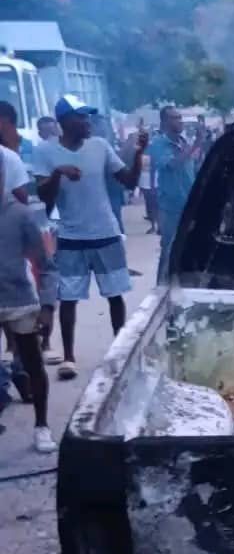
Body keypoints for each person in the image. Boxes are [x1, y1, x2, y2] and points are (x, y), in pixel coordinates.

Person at [33, 95, 146, 382]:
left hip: (106, 234)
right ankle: (69, 357)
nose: (87, 122)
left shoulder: (100, 146)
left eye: (87, 117)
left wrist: (138, 155)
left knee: (115, 296)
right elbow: (45, 198)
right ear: (64, 121)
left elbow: (129, 182)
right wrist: (58, 173)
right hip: (71, 237)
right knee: (69, 299)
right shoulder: (45, 151)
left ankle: (119, 352)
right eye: (81, 117)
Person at [0, 153, 56, 453]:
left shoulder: (20, 215)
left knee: (34, 363)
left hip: (19, 299)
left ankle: (42, 426)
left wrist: (47, 306)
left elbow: (45, 264)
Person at [149, 106, 196, 282]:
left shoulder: (184, 142)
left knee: (189, 246)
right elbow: (172, 165)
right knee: (168, 249)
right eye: (175, 118)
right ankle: (161, 285)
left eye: (180, 117)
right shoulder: (158, 144)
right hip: (170, 207)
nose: (180, 121)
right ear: (165, 122)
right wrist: (196, 145)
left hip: (189, 204)